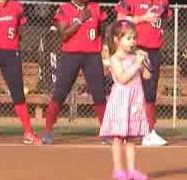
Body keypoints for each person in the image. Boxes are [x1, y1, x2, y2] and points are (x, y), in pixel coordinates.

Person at [0, 0, 41, 145]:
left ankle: (28, 132)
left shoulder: (16, 6)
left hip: (11, 54)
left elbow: (20, 30)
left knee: (18, 93)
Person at [42, 0, 107, 144]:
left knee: (99, 94)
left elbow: (102, 29)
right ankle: (47, 130)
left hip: (92, 55)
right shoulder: (64, 9)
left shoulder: (95, 7)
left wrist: (103, 46)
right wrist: (79, 20)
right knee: (60, 93)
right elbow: (64, 35)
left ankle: (106, 131)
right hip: (71, 55)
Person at [115, 0, 171, 146]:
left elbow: (165, 18)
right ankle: (121, 130)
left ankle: (148, 132)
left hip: (153, 51)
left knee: (149, 92)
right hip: (134, 49)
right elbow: (119, 21)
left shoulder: (163, 2)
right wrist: (142, 18)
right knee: (127, 91)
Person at [100, 20, 150, 180]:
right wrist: (137, 64)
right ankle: (118, 170)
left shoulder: (135, 56)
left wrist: (145, 62)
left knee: (131, 138)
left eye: (134, 38)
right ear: (116, 39)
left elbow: (147, 76)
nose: (132, 42)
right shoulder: (115, 58)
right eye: (128, 38)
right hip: (121, 100)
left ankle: (132, 170)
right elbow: (122, 78)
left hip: (135, 100)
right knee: (118, 137)